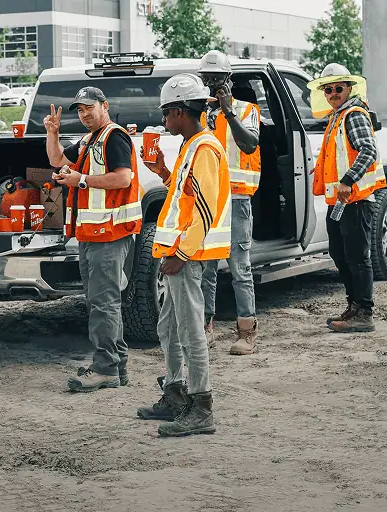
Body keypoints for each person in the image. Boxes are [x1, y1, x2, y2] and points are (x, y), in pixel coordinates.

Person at [136, 73, 230, 437]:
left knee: (191, 332)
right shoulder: (192, 146)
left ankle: (202, 406)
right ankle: (174, 393)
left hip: (187, 256)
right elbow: (183, 195)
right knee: (169, 327)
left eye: (166, 114)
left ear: (179, 111)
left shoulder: (204, 149)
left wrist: (183, 254)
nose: (163, 121)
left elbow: (204, 210)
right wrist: (161, 169)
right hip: (175, 253)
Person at [44, 86, 141, 392]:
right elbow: (57, 160)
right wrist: (53, 133)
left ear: (104, 105)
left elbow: (123, 178)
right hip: (93, 235)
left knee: (103, 304)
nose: (84, 114)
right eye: (80, 110)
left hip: (109, 235)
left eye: (89, 108)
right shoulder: (89, 140)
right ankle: (115, 365)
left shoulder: (114, 137)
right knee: (103, 302)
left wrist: (80, 180)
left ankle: (105, 369)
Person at [307, 63, 385, 333]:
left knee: (357, 256)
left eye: (338, 88)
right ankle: (354, 307)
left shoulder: (352, 114)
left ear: (349, 88)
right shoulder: (337, 117)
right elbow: (339, 155)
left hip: (356, 199)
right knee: (341, 254)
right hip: (340, 202)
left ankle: (364, 312)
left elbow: (368, 150)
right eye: (328, 89)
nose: (333, 93)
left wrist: (348, 180)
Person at [197, 50, 261, 355]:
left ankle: (246, 332)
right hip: (209, 201)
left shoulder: (247, 110)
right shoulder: (199, 113)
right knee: (207, 268)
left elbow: (249, 143)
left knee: (239, 266)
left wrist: (228, 112)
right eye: (206, 79)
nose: (211, 85)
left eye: (216, 79)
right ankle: (206, 327)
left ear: (229, 79)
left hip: (236, 199)